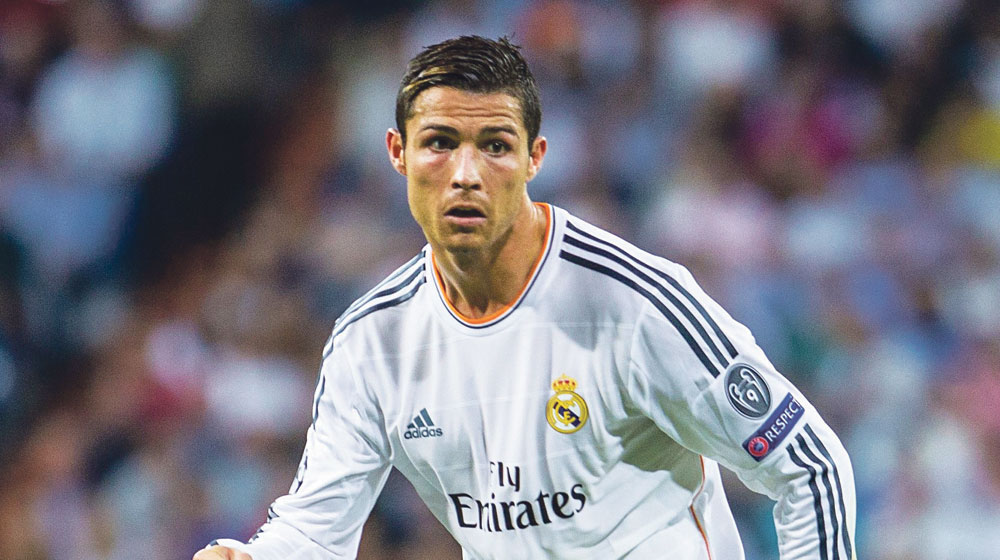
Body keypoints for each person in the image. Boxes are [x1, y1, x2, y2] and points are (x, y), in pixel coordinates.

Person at [195, 35, 855, 560]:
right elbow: (315, 532)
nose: (465, 174)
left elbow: (811, 467)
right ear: (398, 153)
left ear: (535, 157)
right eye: (439, 143)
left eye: (495, 146)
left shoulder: (634, 305)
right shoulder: (372, 342)